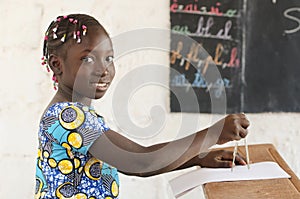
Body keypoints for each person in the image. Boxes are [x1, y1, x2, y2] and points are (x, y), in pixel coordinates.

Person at [35, 13, 250, 199]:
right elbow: (141, 162)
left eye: (109, 57)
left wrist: (199, 157)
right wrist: (214, 134)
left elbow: (135, 159)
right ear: (57, 64)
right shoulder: (68, 117)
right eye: (88, 59)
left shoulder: (73, 114)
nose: (104, 69)